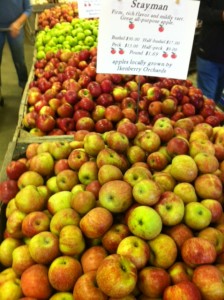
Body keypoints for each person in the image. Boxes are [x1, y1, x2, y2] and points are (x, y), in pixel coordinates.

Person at [196, 0, 224, 108]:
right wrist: (220, 15)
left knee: (215, 98)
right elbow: (199, 10)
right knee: (205, 102)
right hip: (208, 54)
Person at [0, 0, 32, 91]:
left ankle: (24, 86)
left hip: (16, 28)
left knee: (19, 60)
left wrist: (18, 23)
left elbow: (28, 9)